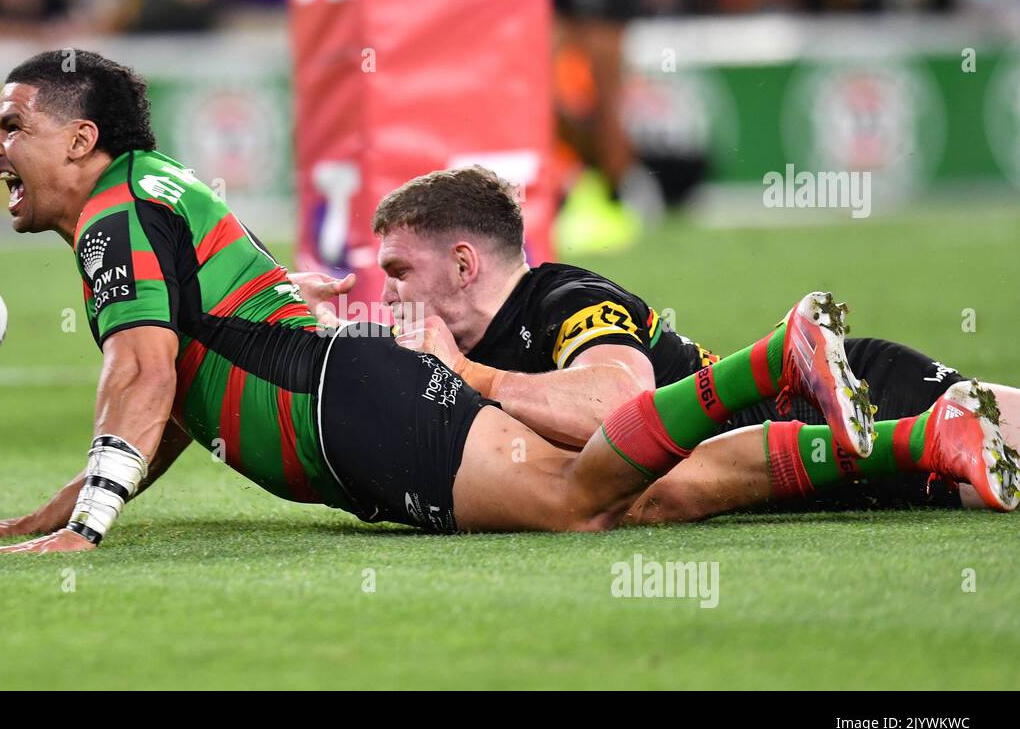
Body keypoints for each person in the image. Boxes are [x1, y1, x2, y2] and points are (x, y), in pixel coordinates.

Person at [0, 50, 976, 555]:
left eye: (11, 127)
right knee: (623, 493)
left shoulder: (120, 217)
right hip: (355, 402)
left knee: (587, 507)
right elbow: (181, 393)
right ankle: (902, 439)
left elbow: (145, 371)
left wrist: (90, 530)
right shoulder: (146, 199)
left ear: (82, 138)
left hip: (354, 412)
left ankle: (774, 365)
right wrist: (68, 501)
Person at [290, 166, 1020, 520]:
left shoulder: (565, 300)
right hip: (797, 464)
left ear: (462, 264)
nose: (384, 292)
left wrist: (472, 376)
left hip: (852, 399)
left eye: (397, 271)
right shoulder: (458, 341)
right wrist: (312, 327)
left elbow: (618, 402)